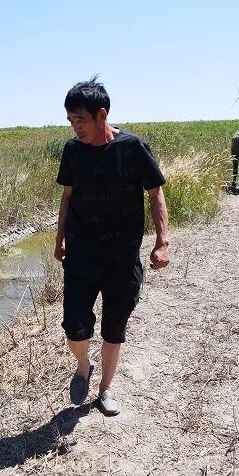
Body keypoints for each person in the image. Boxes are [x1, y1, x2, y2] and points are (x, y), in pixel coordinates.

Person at [54, 76, 170, 415]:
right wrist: (59, 238)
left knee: (113, 328)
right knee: (74, 325)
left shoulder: (132, 148)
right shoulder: (73, 151)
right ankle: (83, 366)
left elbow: (155, 193)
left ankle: (105, 389)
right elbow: (67, 195)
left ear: (101, 115)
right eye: (70, 120)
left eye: (80, 120)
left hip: (121, 255)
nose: (75, 127)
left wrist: (163, 240)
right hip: (81, 254)